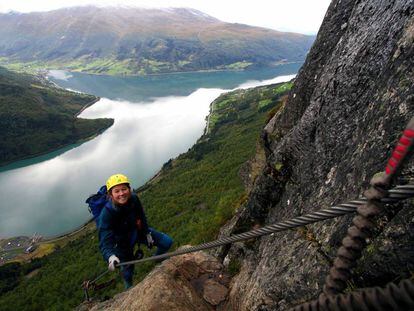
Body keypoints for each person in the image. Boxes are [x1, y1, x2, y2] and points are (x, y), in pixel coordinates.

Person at [98, 173, 173, 289]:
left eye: (124, 189)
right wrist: (110, 256)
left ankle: (157, 259)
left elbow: (141, 216)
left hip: (137, 233)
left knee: (167, 242)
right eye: (117, 191)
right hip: (122, 244)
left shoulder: (133, 198)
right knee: (128, 272)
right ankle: (129, 289)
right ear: (110, 195)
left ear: (129, 189)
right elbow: (104, 241)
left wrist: (147, 232)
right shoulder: (107, 214)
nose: (121, 193)